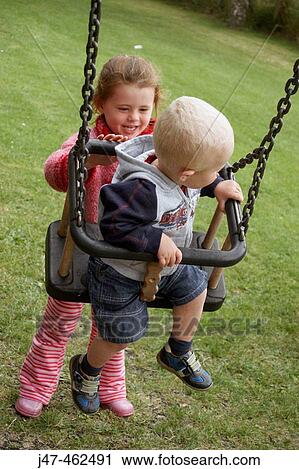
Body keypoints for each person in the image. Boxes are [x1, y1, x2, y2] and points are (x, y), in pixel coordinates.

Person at [69, 96, 244, 414]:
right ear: (187, 173)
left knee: (196, 289)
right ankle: (86, 370)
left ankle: (178, 350)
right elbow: (113, 224)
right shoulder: (142, 189)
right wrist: (153, 239)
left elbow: (196, 182)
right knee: (122, 333)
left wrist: (216, 185)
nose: (218, 173)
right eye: (215, 170)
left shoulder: (178, 168)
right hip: (120, 270)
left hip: (169, 263)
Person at [15, 55, 161, 418]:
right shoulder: (91, 137)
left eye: (143, 108)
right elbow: (53, 171)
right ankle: (36, 387)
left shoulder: (155, 145)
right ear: (101, 105)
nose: (134, 118)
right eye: (123, 108)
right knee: (59, 322)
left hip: (125, 253)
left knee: (111, 327)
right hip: (83, 246)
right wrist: (89, 159)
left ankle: (110, 388)